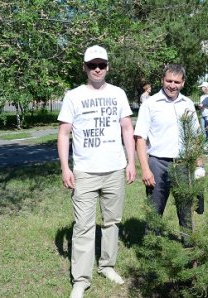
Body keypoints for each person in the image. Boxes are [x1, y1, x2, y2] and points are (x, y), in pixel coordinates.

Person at [57, 45, 136, 298]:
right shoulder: (73, 96)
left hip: (114, 169)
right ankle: (81, 280)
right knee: (83, 226)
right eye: (92, 65)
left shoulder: (118, 93)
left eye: (101, 64)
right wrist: (65, 167)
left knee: (112, 222)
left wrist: (131, 162)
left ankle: (107, 265)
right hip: (85, 172)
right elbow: (64, 133)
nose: (97, 69)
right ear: (85, 68)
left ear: (108, 67)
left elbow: (127, 129)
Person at [134, 63, 202, 234]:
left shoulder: (187, 104)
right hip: (158, 164)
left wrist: (199, 165)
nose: (172, 85)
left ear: (183, 83)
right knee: (154, 212)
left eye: (177, 82)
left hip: (184, 165)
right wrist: (145, 169)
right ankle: (152, 252)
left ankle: (188, 250)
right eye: (169, 80)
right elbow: (140, 138)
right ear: (162, 80)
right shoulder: (150, 104)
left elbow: (195, 136)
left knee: (186, 212)